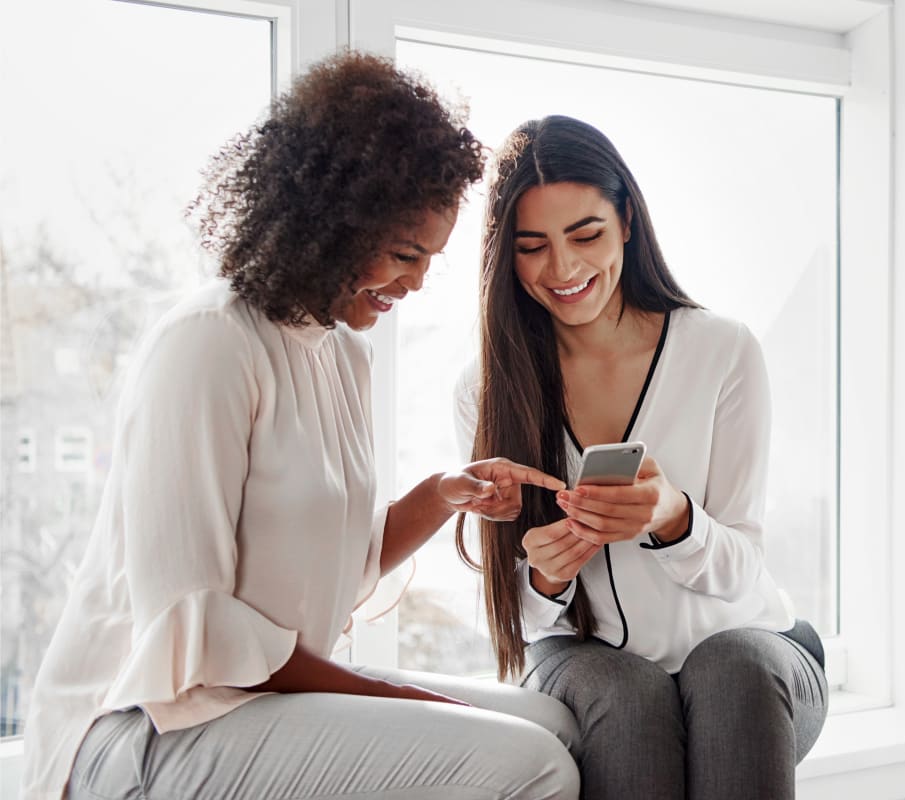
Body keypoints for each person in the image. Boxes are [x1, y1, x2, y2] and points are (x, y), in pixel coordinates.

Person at [21, 53, 581, 800]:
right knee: (531, 761)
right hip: (147, 726)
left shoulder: (342, 358)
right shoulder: (208, 343)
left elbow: (332, 572)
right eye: (404, 254)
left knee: (555, 721)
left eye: (430, 261)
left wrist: (445, 492)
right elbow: (198, 623)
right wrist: (407, 703)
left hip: (254, 698)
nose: (415, 284)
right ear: (329, 222)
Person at [454, 115, 829, 800]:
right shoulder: (486, 390)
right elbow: (516, 617)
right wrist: (543, 578)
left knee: (732, 668)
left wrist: (674, 517)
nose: (563, 269)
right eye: (532, 246)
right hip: (591, 666)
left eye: (586, 234)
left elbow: (744, 567)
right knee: (627, 698)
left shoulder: (722, 350)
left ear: (627, 219)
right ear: (504, 255)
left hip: (754, 655)